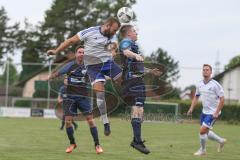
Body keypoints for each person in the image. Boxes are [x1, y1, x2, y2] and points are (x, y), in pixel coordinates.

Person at [47, 17, 122, 136]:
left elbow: (113, 47)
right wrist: (56, 51)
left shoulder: (112, 36)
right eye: (114, 30)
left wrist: (113, 50)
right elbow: (71, 41)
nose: (115, 33)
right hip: (93, 67)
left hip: (108, 63)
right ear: (107, 25)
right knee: (100, 93)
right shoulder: (90, 32)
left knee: (124, 82)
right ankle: (105, 121)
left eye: (116, 31)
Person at [48, 45, 103, 154]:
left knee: (91, 121)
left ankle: (97, 145)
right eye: (79, 52)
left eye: (83, 52)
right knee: (68, 122)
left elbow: (98, 75)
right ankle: (72, 144)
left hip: (83, 98)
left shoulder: (89, 67)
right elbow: (57, 73)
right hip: (70, 98)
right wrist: (49, 77)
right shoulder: (69, 66)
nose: (81, 54)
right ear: (76, 54)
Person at [119, 25, 150, 154]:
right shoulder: (127, 41)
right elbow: (126, 51)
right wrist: (135, 55)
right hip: (132, 81)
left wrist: (150, 71)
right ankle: (137, 141)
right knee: (137, 109)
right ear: (128, 33)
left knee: (140, 110)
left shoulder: (134, 45)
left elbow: (136, 66)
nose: (137, 33)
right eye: (134, 31)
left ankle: (136, 139)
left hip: (137, 80)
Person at [187, 64, 227, 156]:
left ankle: (203, 150)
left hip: (213, 113)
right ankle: (221, 141)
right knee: (206, 132)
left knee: (202, 131)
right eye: (204, 70)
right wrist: (191, 108)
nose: (205, 71)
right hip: (204, 112)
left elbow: (222, 99)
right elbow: (196, 97)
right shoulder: (200, 84)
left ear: (211, 72)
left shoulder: (215, 85)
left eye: (207, 70)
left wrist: (216, 112)